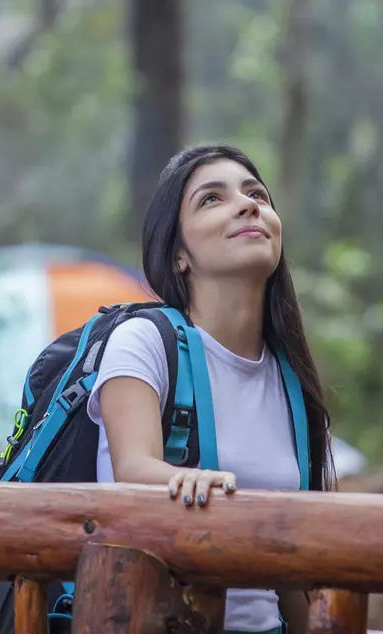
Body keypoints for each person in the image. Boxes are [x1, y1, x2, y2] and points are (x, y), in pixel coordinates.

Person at [85, 144, 335, 634]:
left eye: (257, 194)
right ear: (179, 254)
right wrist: (185, 481)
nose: (249, 205)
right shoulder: (145, 342)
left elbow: (290, 573)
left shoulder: (289, 376)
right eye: (212, 199)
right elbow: (131, 468)